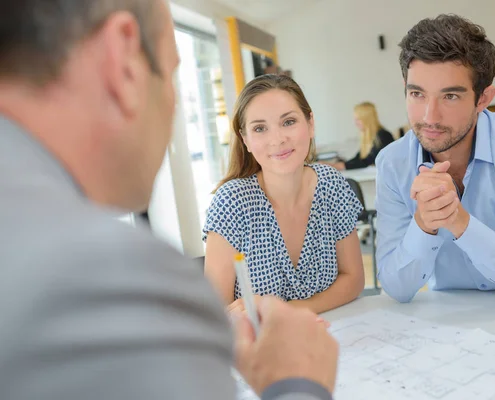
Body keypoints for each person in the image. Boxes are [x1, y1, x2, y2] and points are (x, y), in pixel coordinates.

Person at [0, 1, 339, 399]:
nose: (175, 105)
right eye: (175, 72)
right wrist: (299, 383)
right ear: (123, 59)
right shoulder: (103, 270)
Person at [375, 14, 495, 307]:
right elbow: (396, 289)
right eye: (417, 94)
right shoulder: (392, 162)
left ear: (484, 98)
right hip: (454, 325)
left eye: (450, 96)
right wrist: (423, 225)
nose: (429, 117)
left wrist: (461, 223)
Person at [203, 74, 365, 315]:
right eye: (260, 128)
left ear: (310, 124)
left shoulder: (331, 185)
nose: (277, 139)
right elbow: (213, 317)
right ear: (245, 139)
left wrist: (291, 311)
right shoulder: (232, 203)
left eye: (288, 122)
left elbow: (353, 279)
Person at [328, 102, 394, 170]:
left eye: (358, 119)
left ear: (366, 119)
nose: (355, 123)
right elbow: (359, 158)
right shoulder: (368, 137)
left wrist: (339, 166)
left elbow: (367, 161)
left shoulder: (383, 136)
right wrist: (337, 164)